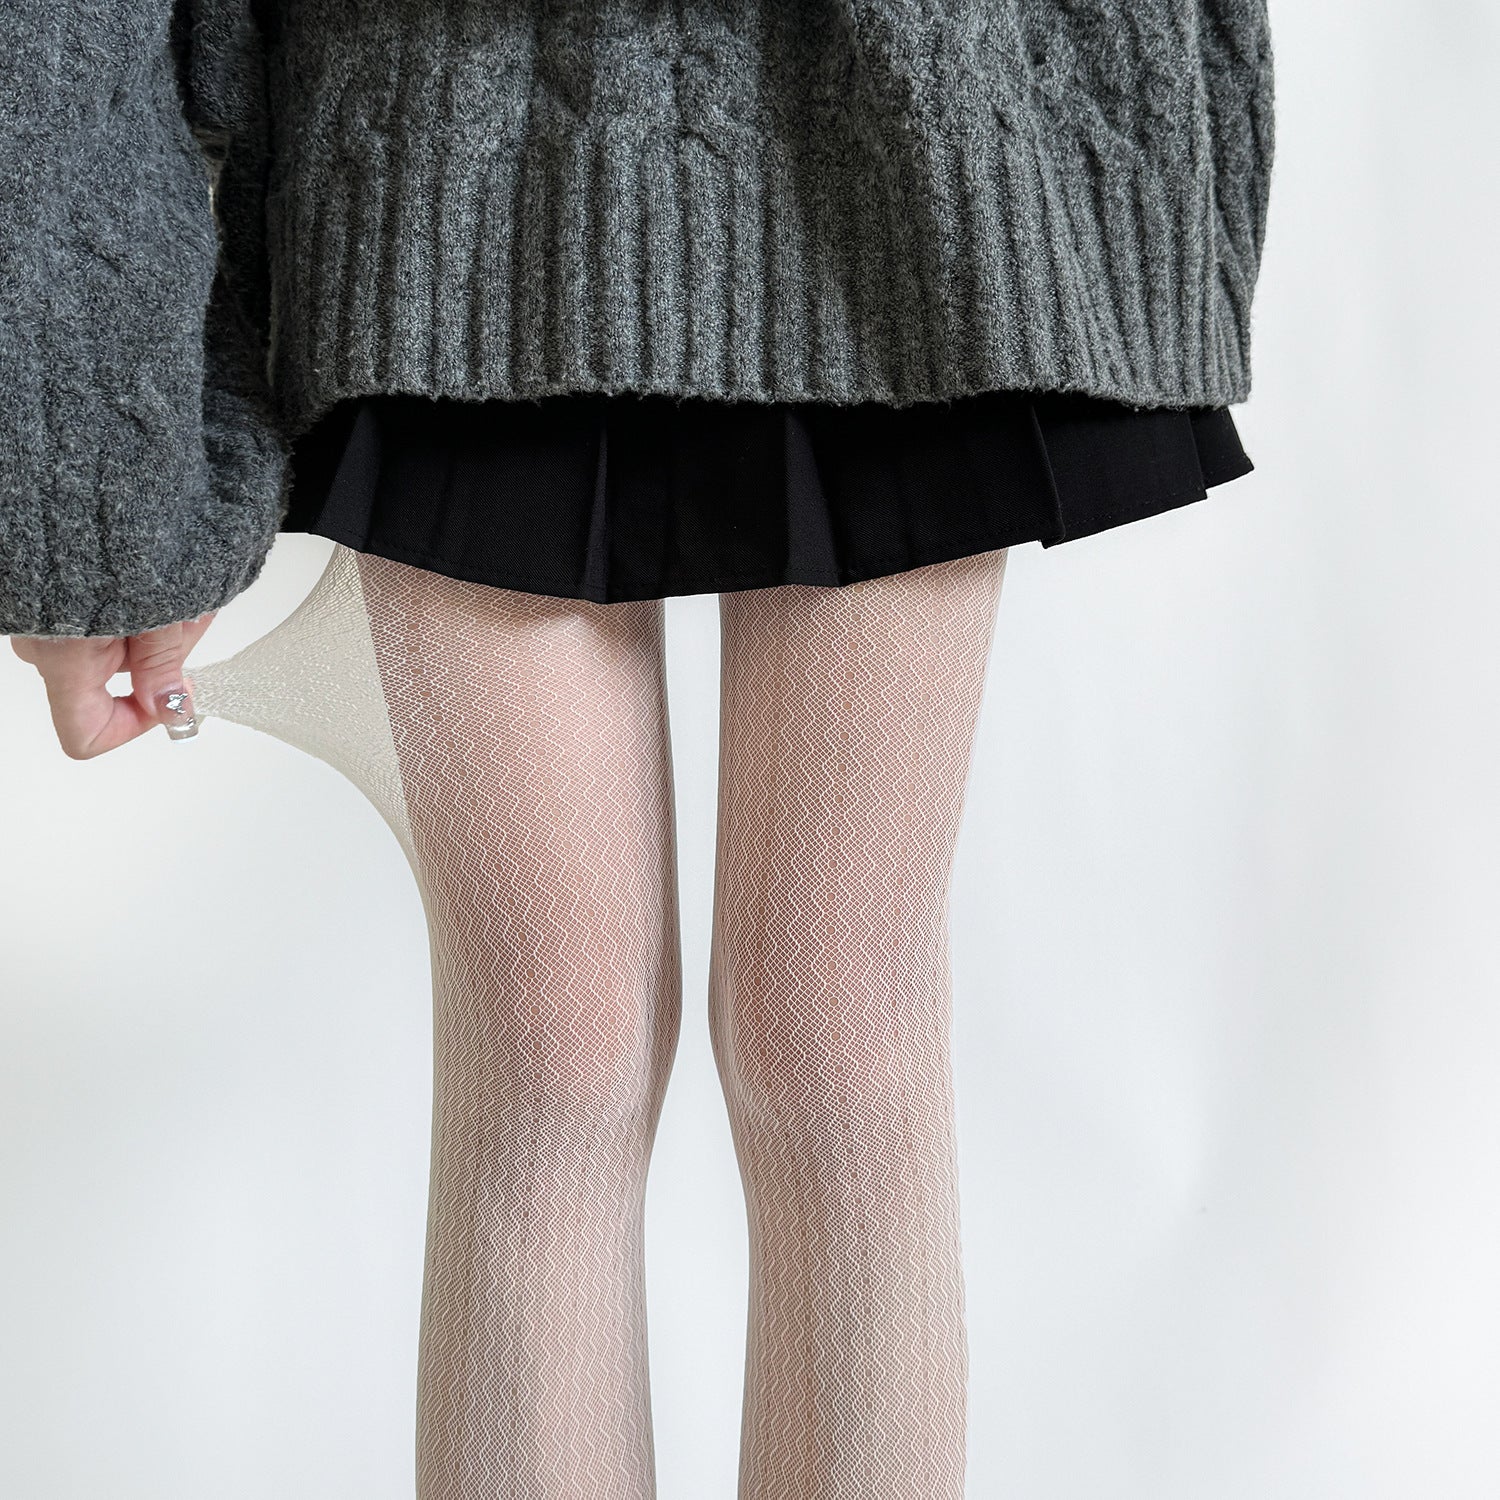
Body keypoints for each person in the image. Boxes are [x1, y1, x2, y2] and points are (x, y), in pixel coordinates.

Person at [1, 2, 1276, 1496]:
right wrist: (98, 485)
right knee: (554, 1052)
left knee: (836, 1042)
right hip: (456, 162)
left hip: (924, 140)